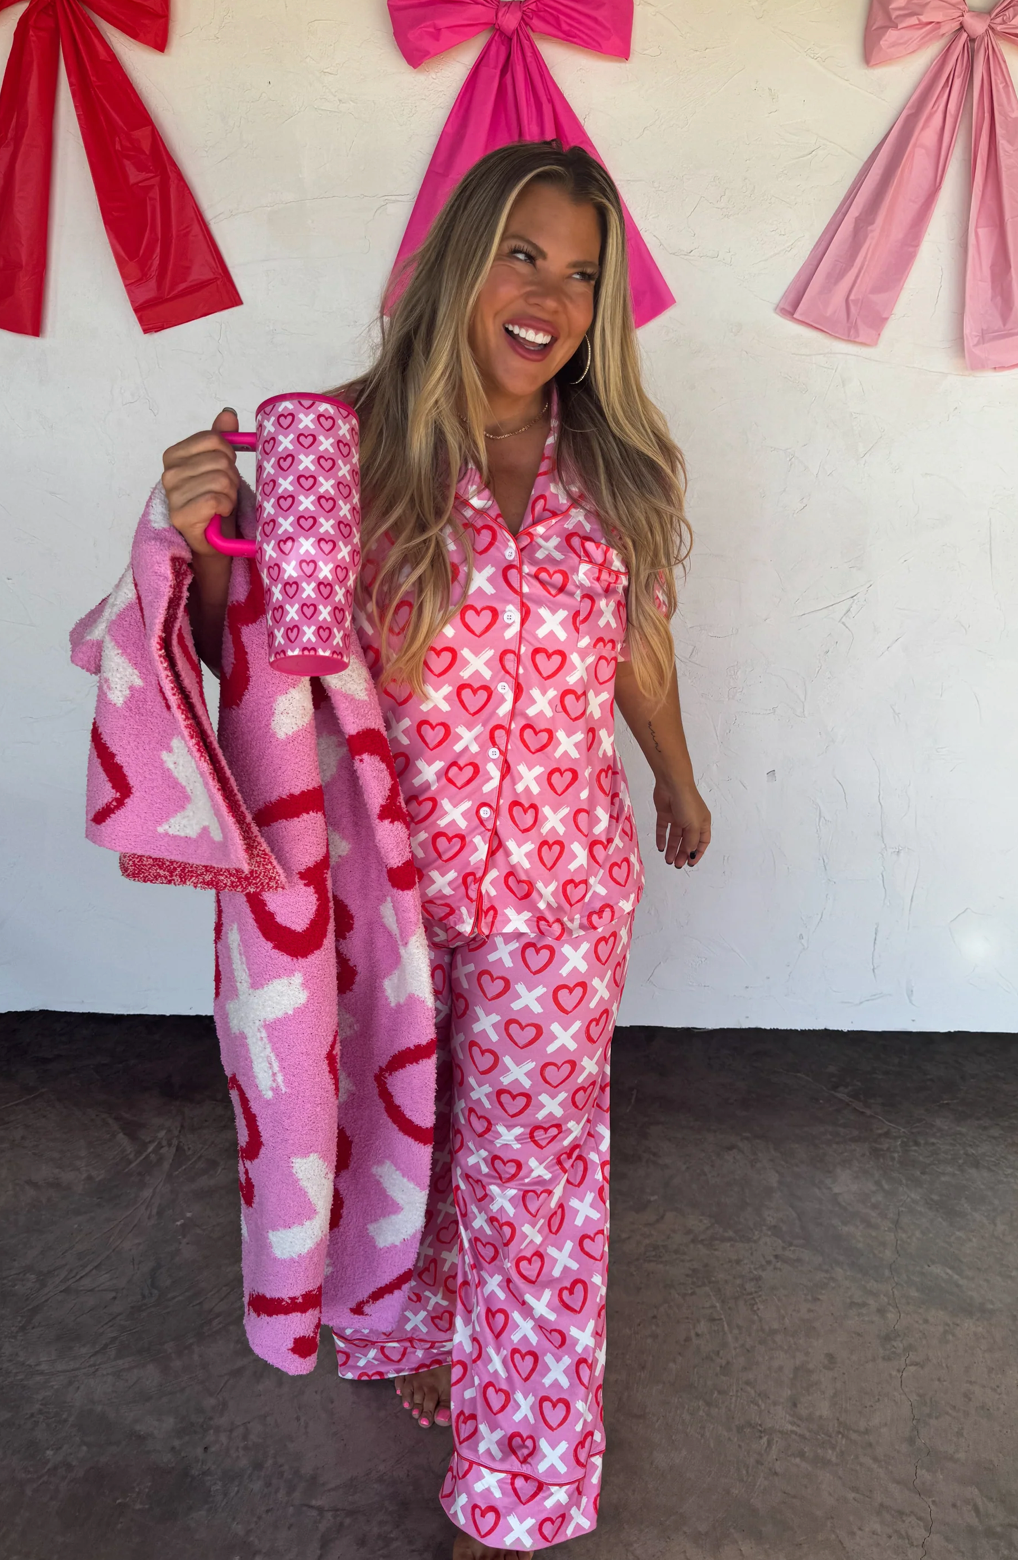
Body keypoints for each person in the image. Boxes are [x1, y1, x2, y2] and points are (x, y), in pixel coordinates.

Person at [160, 139, 711, 1560]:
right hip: (387, 891)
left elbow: (633, 646)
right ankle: (427, 1328)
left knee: (536, 1171)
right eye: (523, 254)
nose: (551, 297)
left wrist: (678, 776)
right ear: (460, 261)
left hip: (560, 893)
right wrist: (205, 539)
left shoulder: (619, 462)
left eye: (583, 275)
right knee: (399, 1141)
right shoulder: (345, 448)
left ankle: (519, 1490)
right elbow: (268, 661)